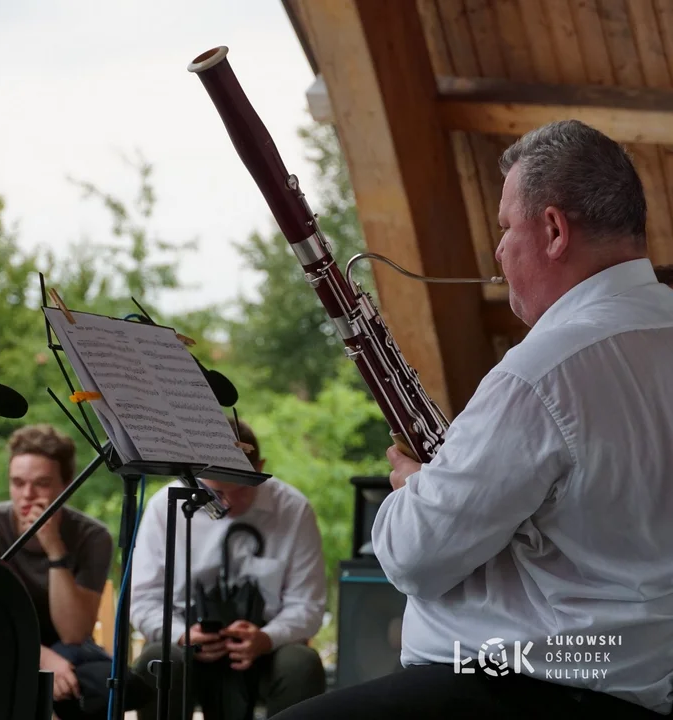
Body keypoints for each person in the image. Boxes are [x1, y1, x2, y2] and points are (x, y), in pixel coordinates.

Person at [276, 120, 673, 719]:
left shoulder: (541, 371)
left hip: (535, 679)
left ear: (554, 230)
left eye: (506, 227)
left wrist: (416, 487)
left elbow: (414, 557)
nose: (499, 251)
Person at [129, 418, 328, 720]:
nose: (229, 505)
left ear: (259, 468)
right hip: (188, 647)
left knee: (301, 663)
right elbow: (143, 600)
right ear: (197, 477)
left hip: (266, 648)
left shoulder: (293, 510)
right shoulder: (164, 507)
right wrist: (182, 635)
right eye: (217, 494)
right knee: (158, 660)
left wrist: (267, 637)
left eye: (242, 490)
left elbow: (307, 605)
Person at [0, 424, 134, 719]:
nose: (27, 495)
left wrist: (55, 549)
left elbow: (74, 632)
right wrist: (40, 659)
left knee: (115, 683)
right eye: (18, 483)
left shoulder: (91, 536)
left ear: (66, 486)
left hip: (71, 652)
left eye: (41, 483)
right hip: (4, 645)